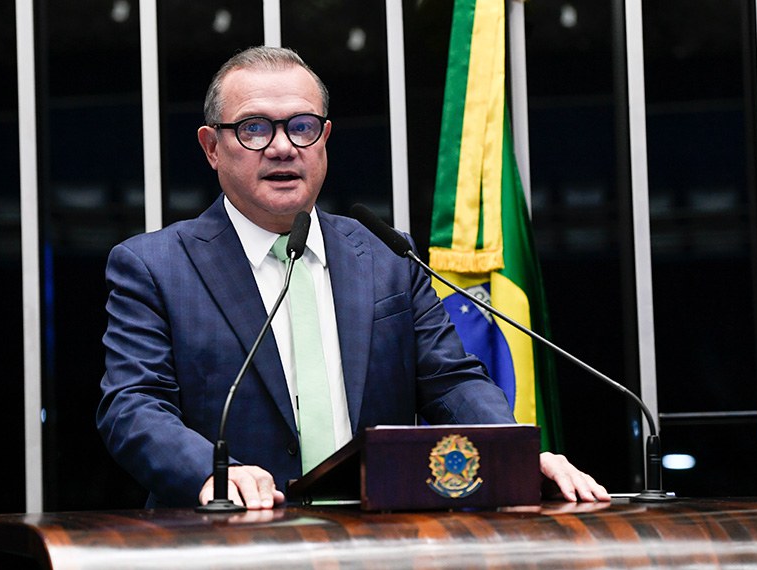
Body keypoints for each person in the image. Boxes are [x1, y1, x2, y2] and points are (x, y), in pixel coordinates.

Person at [97, 46, 609, 510]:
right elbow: (133, 406)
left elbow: (451, 381)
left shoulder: (387, 255)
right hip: (224, 541)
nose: (282, 147)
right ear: (211, 147)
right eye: (254, 128)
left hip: (375, 539)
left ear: (325, 139)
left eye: (302, 126)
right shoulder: (155, 266)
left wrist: (515, 451)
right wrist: (211, 471)